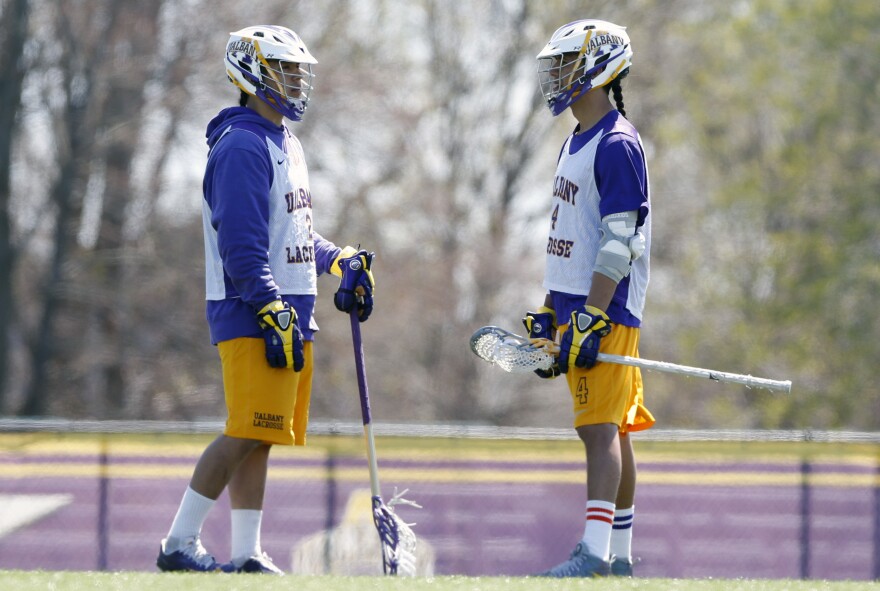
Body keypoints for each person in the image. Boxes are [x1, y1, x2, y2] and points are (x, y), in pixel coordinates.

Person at [156, 25, 375, 575]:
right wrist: (269, 304)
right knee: (245, 429)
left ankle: (246, 551)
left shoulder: (286, 142)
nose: (297, 82)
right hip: (255, 311)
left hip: (287, 312)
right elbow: (241, 243)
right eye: (286, 71)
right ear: (252, 75)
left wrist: (338, 259)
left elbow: (294, 234)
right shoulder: (243, 146)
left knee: (262, 436)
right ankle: (178, 543)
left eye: (300, 72)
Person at [523, 19, 655, 578]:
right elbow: (569, 236)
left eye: (568, 63)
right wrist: (553, 310)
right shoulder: (575, 140)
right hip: (577, 307)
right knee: (613, 428)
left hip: (604, 308)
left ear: (599, 68)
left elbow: (621, 240)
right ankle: (620, 558)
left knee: (598, 429)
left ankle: (596, 554)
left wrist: (592, 317)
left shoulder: (617, 143)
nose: (557, 75)